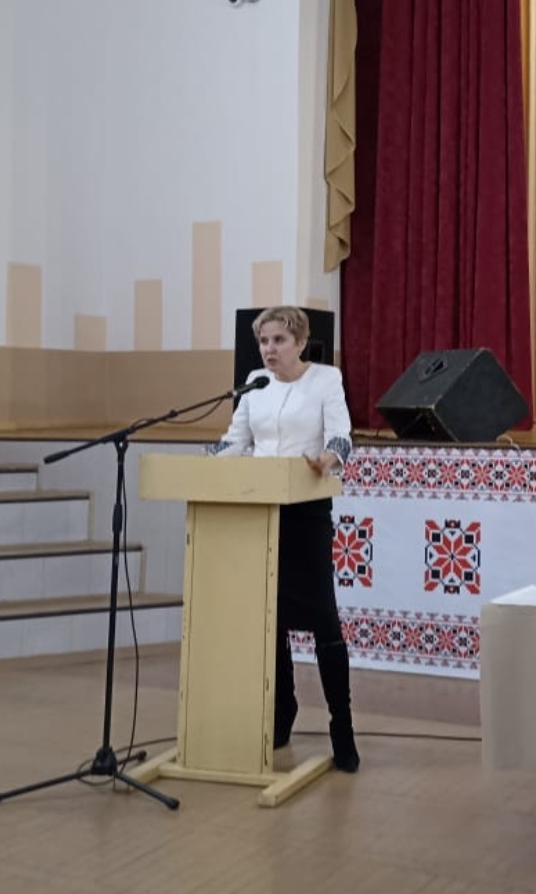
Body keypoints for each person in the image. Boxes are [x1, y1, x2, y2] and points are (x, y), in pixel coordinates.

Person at [213, 305, 359, 772]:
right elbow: (235, 441)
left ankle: (342, 728)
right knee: (270, 619)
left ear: (299, 342)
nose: (269, 350)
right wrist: (207, 462)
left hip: (306, 512)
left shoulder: (325, 379)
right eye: (264, 341)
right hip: (261, 510)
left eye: (278, 340)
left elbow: (342, 438)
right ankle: (282, 712)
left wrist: (326, 460)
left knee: (323, 621)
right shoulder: (255, 383)